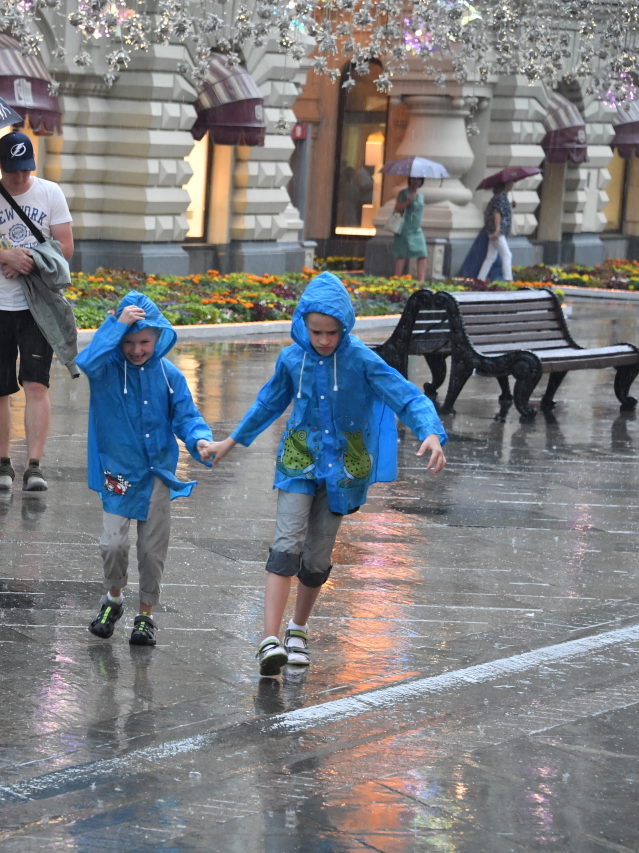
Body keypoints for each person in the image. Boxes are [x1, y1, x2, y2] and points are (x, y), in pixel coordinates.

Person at [206, 272, 447, 676]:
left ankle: (297, 630)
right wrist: (229, 443)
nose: (323, 340)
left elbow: (405, 395)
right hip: (298, 463)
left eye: (332, 333)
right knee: (286, 543)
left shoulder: (361, 360)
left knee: (317, 557)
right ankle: (269, 640)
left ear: (345, 327)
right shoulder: (292, 359)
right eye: (315, 331)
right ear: (302, 324)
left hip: (342, 474)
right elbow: (267, 404)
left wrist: (430, 432)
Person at [75, 292, 214, 646]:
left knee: (152, 550)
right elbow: (86, 362)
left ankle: (146, 614)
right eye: (129, 342)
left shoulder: (169, 376)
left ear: (158, 339)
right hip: (117, 472)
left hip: (156, 474)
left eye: (145, 342)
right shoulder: (106, 371)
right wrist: (114, 325)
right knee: (113, 544)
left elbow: (187, 416)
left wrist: (199, 440)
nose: (137, 350)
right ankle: (113, 598)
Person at [0, 131, 74, 492]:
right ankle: (4, 462)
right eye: (13, 171)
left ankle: (35, 465)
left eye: (26, 170)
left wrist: (27, 262)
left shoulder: (51, 193)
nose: (20, 178)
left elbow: (65, 248)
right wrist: (4, 257)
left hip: (36, 305)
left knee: (36, 383)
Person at [393, 177, 428, 281]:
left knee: (422, 254)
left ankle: (421, 281)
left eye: (418, 180)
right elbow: (397, 209)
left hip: (416, 229)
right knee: (402, 255)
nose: (415, 182)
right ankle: (396, 279)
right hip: (405, 228)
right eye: (413, 179)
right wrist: (408, 200)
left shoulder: (421, 195)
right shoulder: (403, 193)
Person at [480, 182, 514, 281]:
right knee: (507, 255)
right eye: (511, 183)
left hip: (493, 231)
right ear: (506, 185)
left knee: (490, 257)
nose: (512, 185)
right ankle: (508, 280)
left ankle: (480, 279)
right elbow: (497, 213)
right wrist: (498, 230)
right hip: (498, 232)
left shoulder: (498, 197)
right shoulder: (501, 197)